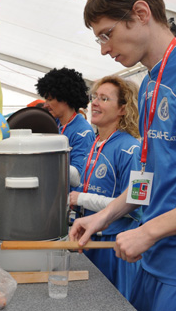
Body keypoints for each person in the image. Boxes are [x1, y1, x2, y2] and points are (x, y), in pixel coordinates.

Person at [70, 0, 176, 310]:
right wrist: (104, 216)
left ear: (140, 13)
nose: (104, 49)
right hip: (152, 262)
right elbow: (148, 180)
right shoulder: (150, 82)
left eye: (106, 34)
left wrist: (148, 231)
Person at [68, 75, 141, 299]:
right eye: (95, 97)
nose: (95, 103)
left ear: (122, 109)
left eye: (105, 99)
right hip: (90, 240)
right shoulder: (95, 144)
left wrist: (80, 199)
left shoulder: (131, 148)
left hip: (113, 247)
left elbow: (137, 203)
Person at [36, 67, 95, 188]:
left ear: (65, 98)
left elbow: (78, 177)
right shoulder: (52, 123)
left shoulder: (83, 132)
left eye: (50, 99)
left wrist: (42, 162)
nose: (46, 104)